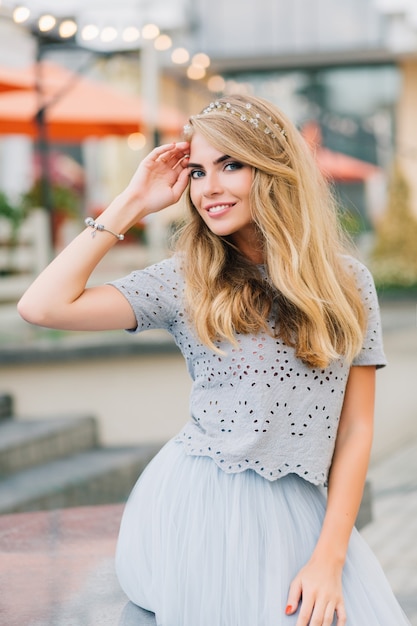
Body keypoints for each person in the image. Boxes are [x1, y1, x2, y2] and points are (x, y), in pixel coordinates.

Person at [18, 94, 411, 626]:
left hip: (301, 508)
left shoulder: (348, 283)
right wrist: (131, 201)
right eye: (198, 172)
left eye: (231, 165)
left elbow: (355, 428)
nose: (209, 188)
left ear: (273, 171)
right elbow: (41, 306)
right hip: (198, 506)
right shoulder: (186, 280)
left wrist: (329, 556)